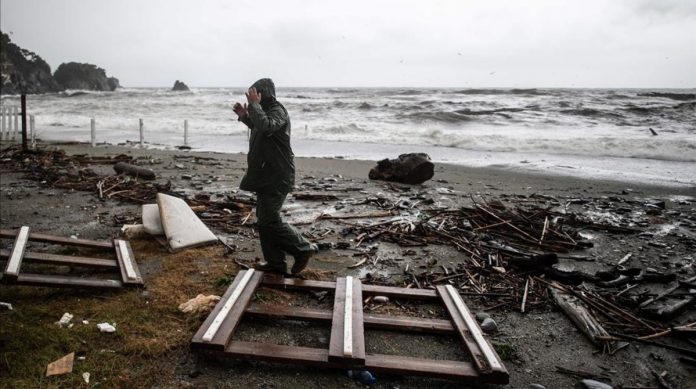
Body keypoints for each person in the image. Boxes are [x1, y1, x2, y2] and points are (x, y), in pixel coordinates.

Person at [233, 78, 317, 275]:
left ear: (264, 94)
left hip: (278, 174)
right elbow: (259, 127)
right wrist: (245, 115)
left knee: (270, 219)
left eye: (255, 94)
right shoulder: (264, 110)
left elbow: (268, 126)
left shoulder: (277, 110)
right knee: (264, 219)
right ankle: (275, 263)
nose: (252, 98)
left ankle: (302, 249)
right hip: (266, 173)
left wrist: (254, 106)